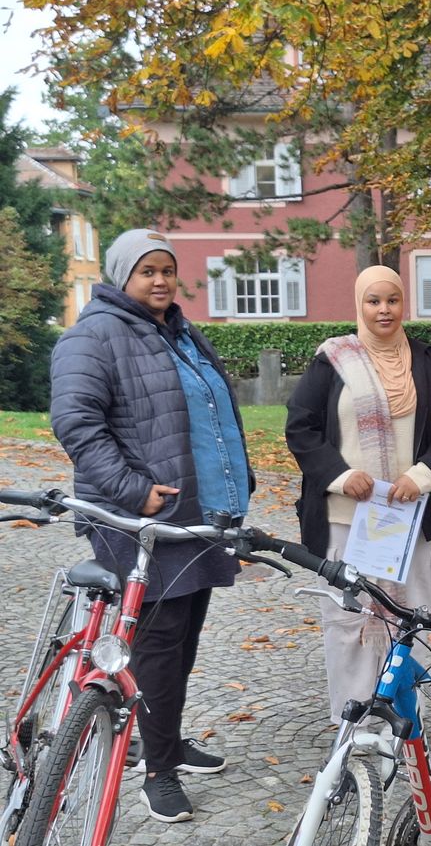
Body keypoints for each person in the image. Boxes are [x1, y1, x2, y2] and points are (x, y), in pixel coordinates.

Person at [51, 229, 252, 824]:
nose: (161, 280)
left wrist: (236, 482)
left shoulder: (181, 331)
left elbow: (212, 412)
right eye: (147, 271)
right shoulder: (93, 335)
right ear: (122, 276)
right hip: (144, 518)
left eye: (167, 269)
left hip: (196, 515)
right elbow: (76, 423)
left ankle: (165, 738)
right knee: (159, 648)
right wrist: (132, 490)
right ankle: (158, 771)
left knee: (181, 641)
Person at [285, 265, 431, 724]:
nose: (383, 310)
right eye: (374, 301)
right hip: (346, 518)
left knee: (410, 617)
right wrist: (340, 475)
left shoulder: (428, 362)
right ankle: (354, 722)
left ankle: (403, 720)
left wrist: (423, 475)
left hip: (411, 516)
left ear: (403, 302)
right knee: (350, 620)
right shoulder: (333, 361)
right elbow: (301, 427)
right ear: (360, 304)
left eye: (392, 300)